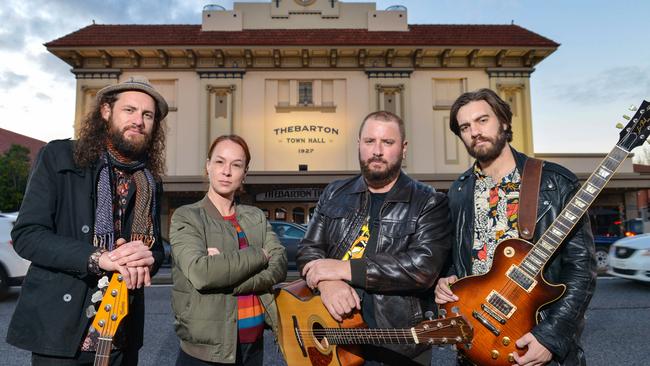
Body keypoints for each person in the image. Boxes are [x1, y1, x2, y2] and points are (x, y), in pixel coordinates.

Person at [7, 76, 169, 365]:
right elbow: (28, 235)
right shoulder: (59, 157)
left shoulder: (150, 180)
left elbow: (155, 250)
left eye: (148, 115)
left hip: (121, 332)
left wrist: (146, 257)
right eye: (129, 110)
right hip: (61, 331)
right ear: (106, 111)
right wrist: (99, 258)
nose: (139, 121)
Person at [434, 88, 596, 365]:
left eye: (482, 120)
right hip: (476, 344)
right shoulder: (459, 190)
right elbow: (454, 258)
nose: (474, 131)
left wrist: (550, 337)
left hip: (536, 340)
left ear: (504, 122)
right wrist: (445, 280)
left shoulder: (554, 182)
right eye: (465, 127)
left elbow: (582, 270)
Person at [297, 111, 452, 365]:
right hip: (338, 340)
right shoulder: (335, 192)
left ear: (403, 149)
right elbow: (308, 250)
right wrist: (327, 283)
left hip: (399, 345)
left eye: (387, 143)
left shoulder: (430, 201)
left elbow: (422, 269)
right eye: (369, 141)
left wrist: (344, 269)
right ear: (358, 144)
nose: (377, 151)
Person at [169, 135, 287, 366]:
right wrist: (260, 255)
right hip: (206, 352)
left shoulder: (254, 216)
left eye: (236, 165)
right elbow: (202, 273)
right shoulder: (187, 216)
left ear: (245, 173)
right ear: (208, 165)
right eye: (220, 162)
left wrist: (227, 273)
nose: (227, 171)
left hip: (253, 345)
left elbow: (280, 263)